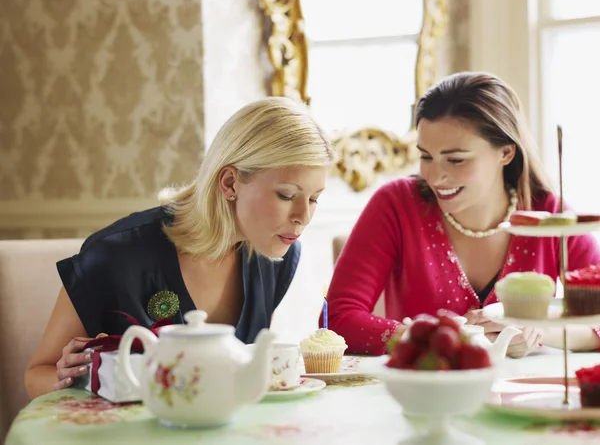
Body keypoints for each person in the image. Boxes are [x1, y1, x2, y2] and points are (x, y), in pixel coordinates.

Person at [25, 97, 336, 398]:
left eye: (313, 199)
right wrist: (71, 376)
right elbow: (37, 373)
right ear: (229, 183)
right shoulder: (114, 256)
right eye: (286, 195)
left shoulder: (275, 255)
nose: (303, 217)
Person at [324, 72, 600, 357]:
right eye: (426, 157)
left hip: (527, 395)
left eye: (455, 160)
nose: (435, 176)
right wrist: (433, 338)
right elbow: (338, 320)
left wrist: (538, 333)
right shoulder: (395, 205)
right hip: (425, 396)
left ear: (505, 153)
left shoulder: (550, 215)